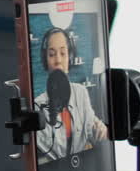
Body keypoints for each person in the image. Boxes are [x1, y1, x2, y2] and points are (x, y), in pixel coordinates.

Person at [33, 26, 107, 162]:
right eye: (51, 54)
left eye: (63, 53)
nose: (58, 60)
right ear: (45, 60)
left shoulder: (81, 92)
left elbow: (92, 131)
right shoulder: (37, 105)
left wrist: (100, 130)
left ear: (70, 57)